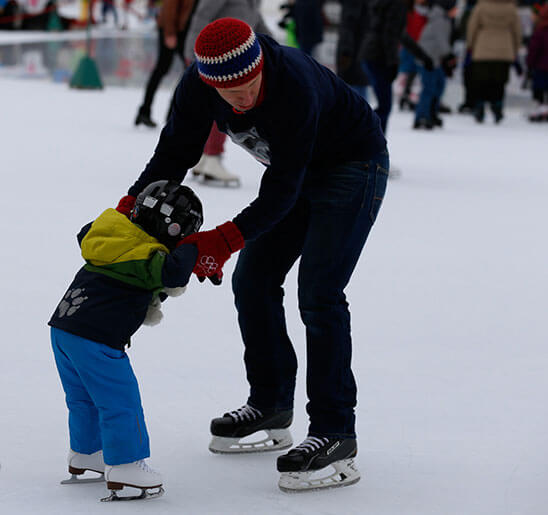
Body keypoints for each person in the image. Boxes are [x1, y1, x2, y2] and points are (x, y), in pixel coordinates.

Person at [114, 18, 388, 492]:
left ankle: (335, 431)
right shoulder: (201, 84)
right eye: (228, 90)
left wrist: (220, 240)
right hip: (295, 175)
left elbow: (281, 191)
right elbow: (174, 152)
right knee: (253, 281)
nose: (240, 97)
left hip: (352, 166)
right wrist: (128, 211)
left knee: (320, 293)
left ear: (260, 64)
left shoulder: (294, 84)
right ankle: (271, 402)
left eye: (248, 85)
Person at [48, 181, 202, 500]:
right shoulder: (145, 255)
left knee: (82, 397)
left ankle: (87, 451)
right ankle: (127, 465)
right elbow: (173, 274)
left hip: (63, 328)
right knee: (120, 400)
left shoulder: (117, 239)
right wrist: (196, 247)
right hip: (96, 337)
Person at [184, 0, 271, 187]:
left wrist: (277, 49)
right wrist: (193, 53)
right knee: (224, 110)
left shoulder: (253, 2)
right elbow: (202, 16)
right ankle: (212, 157)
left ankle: (206, 158)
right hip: (213, 61)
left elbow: (256, 23)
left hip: (237, 62)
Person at [360, 0, 433, 133]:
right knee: (385, 106)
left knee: (384, 105)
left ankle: (372, 142)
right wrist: (392, 62)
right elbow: (389, 34)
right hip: (378, 57)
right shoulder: (397, 4)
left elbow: (400, 35)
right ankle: (373, 144)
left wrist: (423, 56)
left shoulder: (389, 4)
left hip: (371, 55)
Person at [135, 0, 195, 128]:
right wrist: (169, 33)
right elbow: (169, 6)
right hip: (173, 30)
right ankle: (146, 111)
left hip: (183, 30)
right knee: (163, 69)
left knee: (187, 70)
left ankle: (170, 112)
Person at [465, 0, 521, 123]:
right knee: (499, 82)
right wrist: (516, 47)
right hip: (504, 48)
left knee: (481, 81)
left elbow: (472, 26)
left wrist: (470, 45)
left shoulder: (481, 6)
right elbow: (517, 29)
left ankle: (480, 107)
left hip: (482, 47)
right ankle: (497, 107)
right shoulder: (511, 7)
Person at [413, 0, 456, 129]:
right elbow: (441, 39)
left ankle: (431, 113)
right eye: (454, 8)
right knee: (429, 88)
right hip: (428, 59)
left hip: (435, 59)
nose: (456, 11)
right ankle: (421, 117)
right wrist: (449, 56)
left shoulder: (443, 18)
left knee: (439, 85)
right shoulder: (440, 19)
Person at [525, 2, 548, 123]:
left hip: (540, 64)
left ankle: (540, 110)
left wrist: (529, 62)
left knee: (539, 88)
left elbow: (534, 49)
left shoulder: (540, 31)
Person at [336, 0, 372, 100]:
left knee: (352, 94)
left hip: (353, 53)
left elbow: (348, 26)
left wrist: (345, 52)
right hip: (361, 50)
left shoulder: (352, 3)